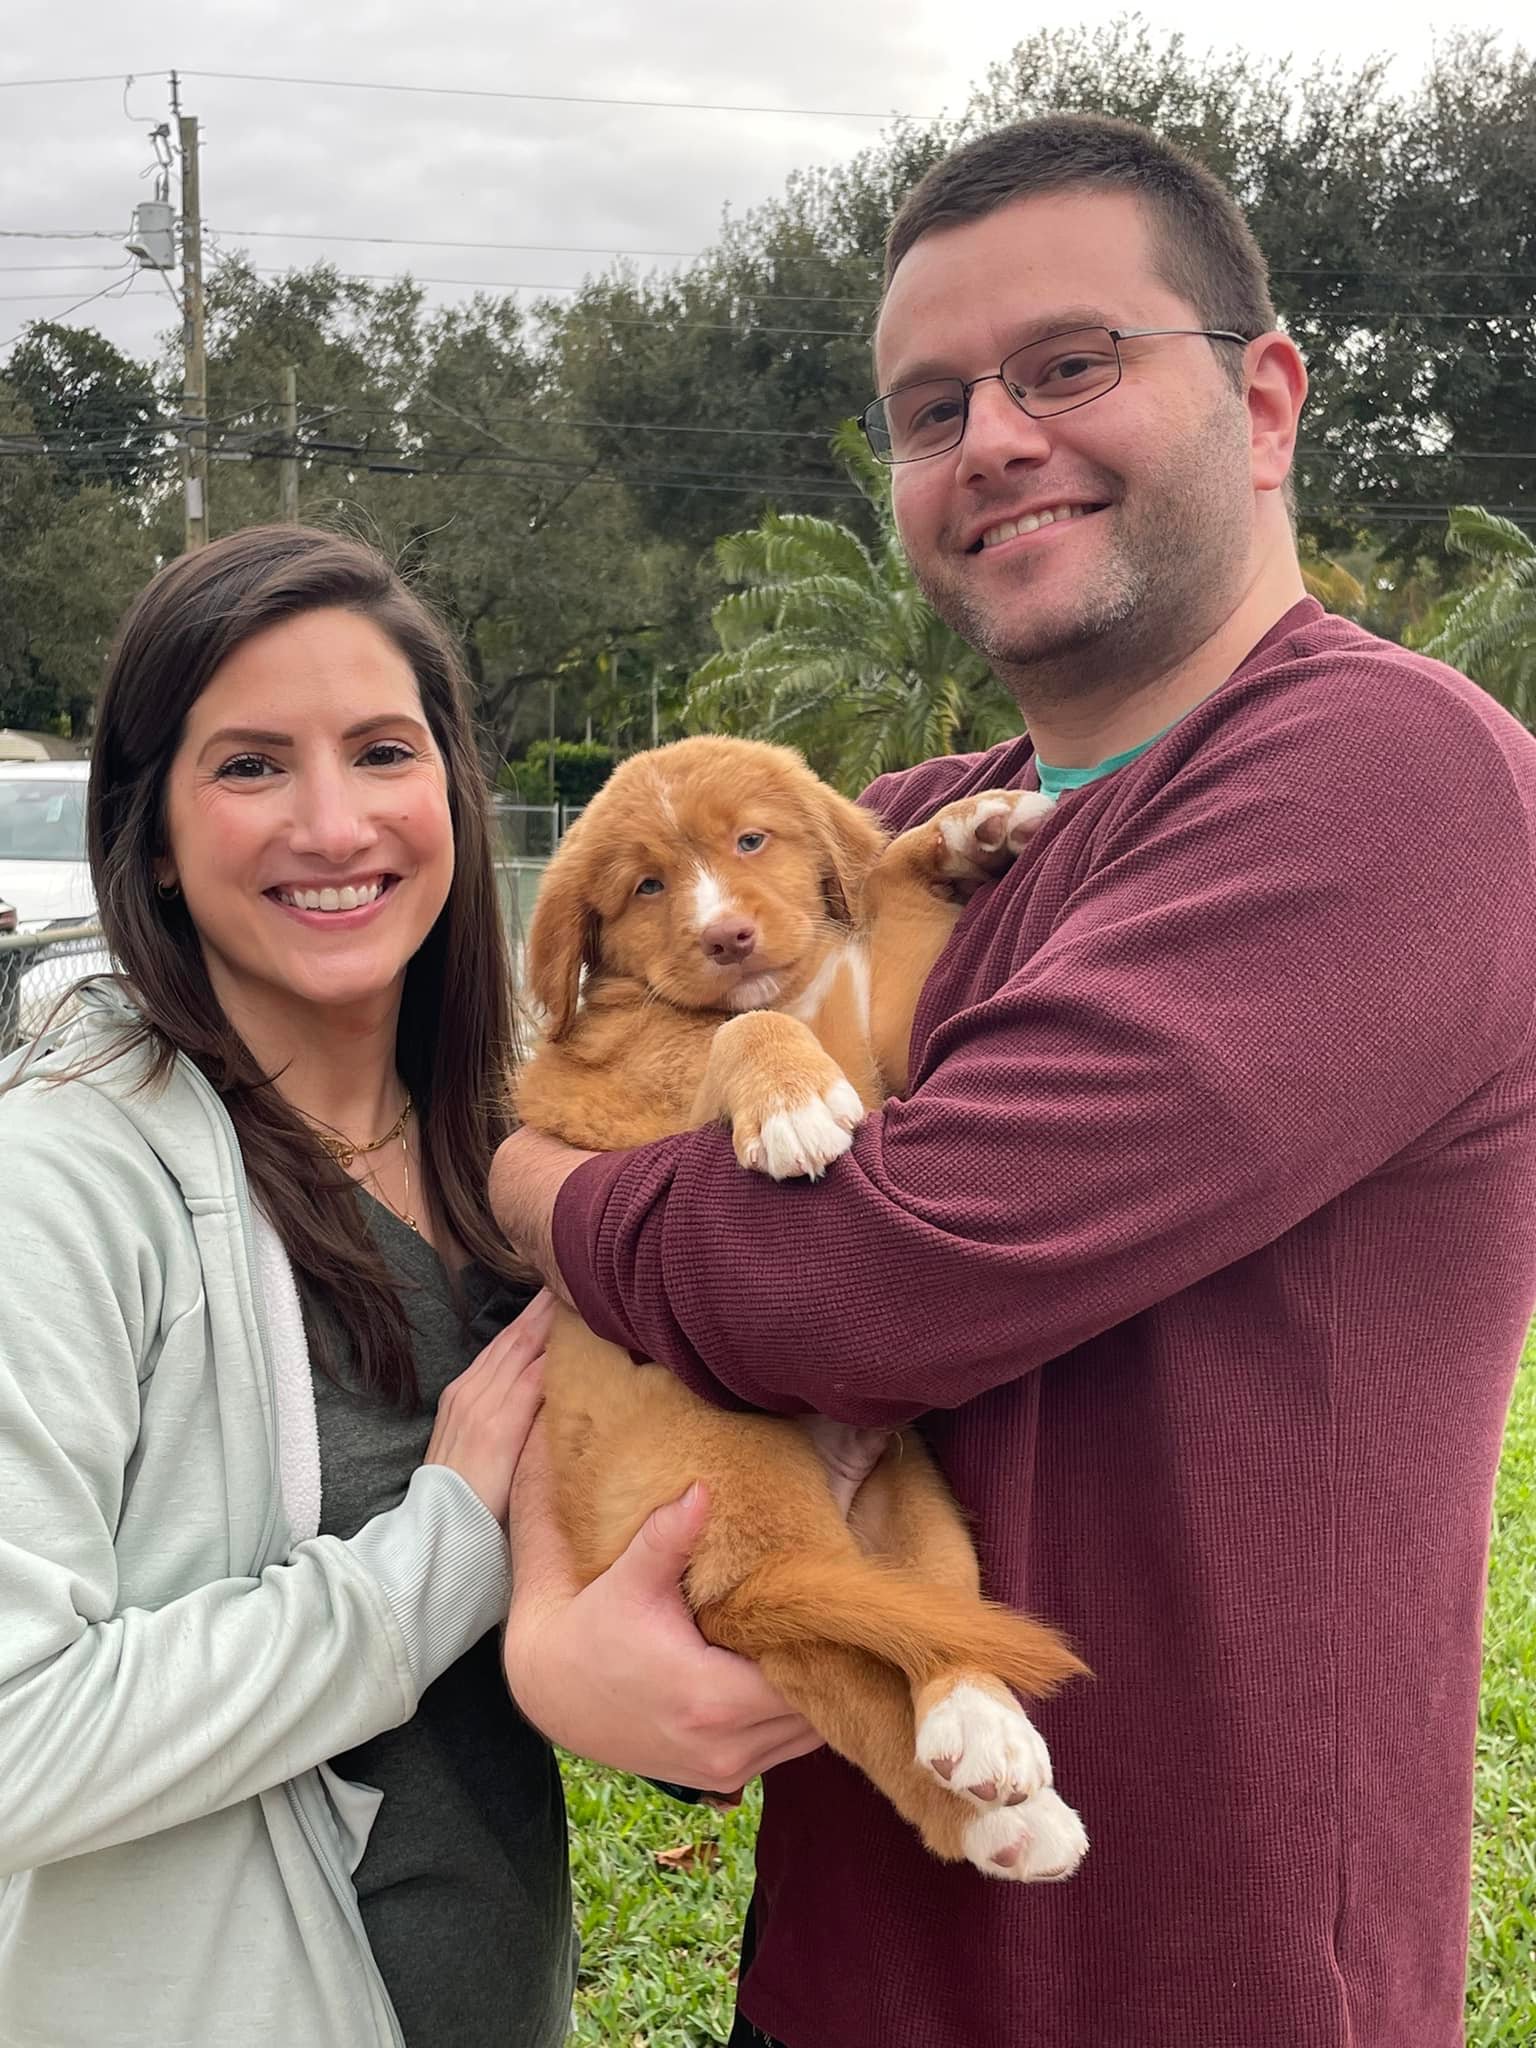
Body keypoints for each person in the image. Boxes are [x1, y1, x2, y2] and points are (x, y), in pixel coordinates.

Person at [489, 114, 1536, 2048]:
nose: (991, 439)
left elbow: (858, 1284)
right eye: (928, 406)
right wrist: (568, 1631)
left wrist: (533, 1194)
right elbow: (625, 1345)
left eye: (1071, 364)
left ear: (1271, 397)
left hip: (1198, 1973)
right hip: (865, 1941)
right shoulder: (882, 836)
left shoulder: (1389, 784)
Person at [0, 526, 822, 2048]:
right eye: (249, 766)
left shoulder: (512, 1155)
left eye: (382, 750)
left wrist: (659, 1672)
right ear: (153, 829)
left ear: (451, 786)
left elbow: (567, 1596)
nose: (333, 822)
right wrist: (434, 1549)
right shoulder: (63, 1181)